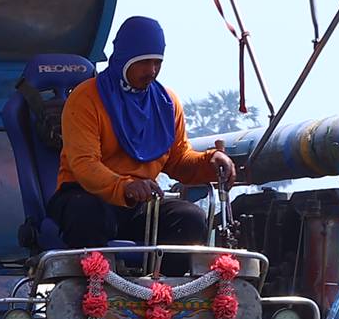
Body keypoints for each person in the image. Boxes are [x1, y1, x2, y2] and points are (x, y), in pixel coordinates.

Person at [48, 15, 237, 251]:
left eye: (158, 62)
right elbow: (84, 165)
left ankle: (167, 277)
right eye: (143, 62)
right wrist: (125, 186)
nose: (152, 70)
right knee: (87, 213)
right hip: (85, 195)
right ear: (124, 58)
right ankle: (94, 276)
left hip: (139, 203)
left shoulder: (168, 103)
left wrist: (211, 162)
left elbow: (179, 160)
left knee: (190, 219)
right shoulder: (86, 98)